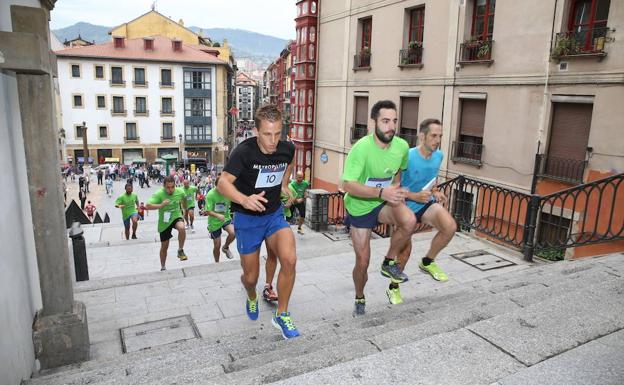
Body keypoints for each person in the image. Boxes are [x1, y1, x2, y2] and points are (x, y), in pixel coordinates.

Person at [218, 104, 300, 339]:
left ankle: (282, 314)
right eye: (267, 134)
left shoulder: (287, 148)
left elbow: (289, 164)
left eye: (277, 134)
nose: (273, 140)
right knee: (250, 278)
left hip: (274, 215)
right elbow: (222, 183)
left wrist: (284, 184)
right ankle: (252, 295)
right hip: (247, 219)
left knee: (290, 259)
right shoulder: (244, 152)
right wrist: (244, 200)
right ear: (256, 131)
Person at [341, 99, 416, 315]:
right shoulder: (361, 148)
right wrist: (382, 192)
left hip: (383, 201)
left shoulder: (401, 147)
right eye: (385, 121)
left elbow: (399, 172)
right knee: (363, 261)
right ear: (374, 121)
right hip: (360, 206)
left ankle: (388, 261)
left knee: (409, 221)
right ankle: (359, 295)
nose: (391, 126)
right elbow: (347, 184)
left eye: (394, 121)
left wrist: (395, 190)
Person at [398, 118, 456, 289]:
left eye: (440, 136)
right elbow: (394, 187)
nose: (437, 141)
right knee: (404, 253)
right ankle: (394, 287)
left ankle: (427, 261)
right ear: (422, 136)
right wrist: (414, 196)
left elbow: (431, 178)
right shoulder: (406, 156)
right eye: (434, 136)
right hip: (404, 207)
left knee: (450, 227)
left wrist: (436, 191)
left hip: (425, 204)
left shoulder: (439, 156)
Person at [146, 176, 189, 271]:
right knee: (164, 246)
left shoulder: (180, 192)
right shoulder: (159, 194)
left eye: (172, 187)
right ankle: (163, 266)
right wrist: (161, 205)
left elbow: (184, 199)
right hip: (164, 222)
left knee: (182, 228)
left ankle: (180, 250)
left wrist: (185, 210)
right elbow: (148, 206)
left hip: (176, 216)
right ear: (164, 186)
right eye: (168, 187)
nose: (171, 189)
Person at [262, 190, 293, 302]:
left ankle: (268, 287)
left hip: (273, 219)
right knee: (249, 261)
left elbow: (288, 193)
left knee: (272, 254)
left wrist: (289, 198)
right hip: (250, 218)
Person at [204, 177, 236, 262]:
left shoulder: (228, 193)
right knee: (217, 245)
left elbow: (234, 203)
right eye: (220, 187)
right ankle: (217, 262)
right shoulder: (210, 195)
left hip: (225, 218)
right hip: (214, 221)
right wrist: (217, 215)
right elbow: (207, 211)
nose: (222, 189)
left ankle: (225, 247)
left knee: (233, 233)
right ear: (216, 185)